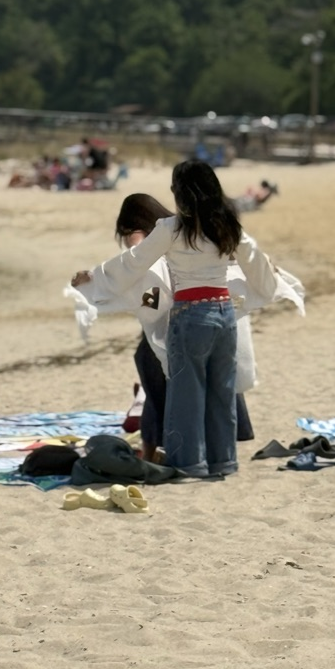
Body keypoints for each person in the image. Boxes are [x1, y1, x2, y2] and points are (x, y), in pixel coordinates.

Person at [71, 160, 279, 478]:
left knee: (186, 394)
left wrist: (94, 278)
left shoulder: (172, 229)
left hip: (190, 316)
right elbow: (256, 263)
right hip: (225, 315)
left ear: (181, 192)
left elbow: (133, 263)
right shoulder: (228, 226)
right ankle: (224, 462)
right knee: (222, 391)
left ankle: (189, 464)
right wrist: (270, 283)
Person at [98, 193, 254, 461]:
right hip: (215, 312)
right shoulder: (186, 232)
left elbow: (140, 271)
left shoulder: (143, 236)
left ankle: (154, 448)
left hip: (178, 317)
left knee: (153, 370)